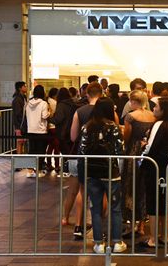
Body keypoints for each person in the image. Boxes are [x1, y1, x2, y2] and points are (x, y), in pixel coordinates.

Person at [78, 97, 126, 254]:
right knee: (115, 208)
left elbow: (82, 151)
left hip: (92, 173)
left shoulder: (87, 127)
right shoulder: (114, 127)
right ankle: (117, 242)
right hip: (111, 173)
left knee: (96, 208)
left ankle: (99, 243)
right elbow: (120, 151)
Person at [139, 97, 168, 248]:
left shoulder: (158, 124)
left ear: (163, 110)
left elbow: (150, 148)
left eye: (156, 106)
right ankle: (165, 236)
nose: (154, 108)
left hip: (155, 166)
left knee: (153, 202)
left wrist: (142, 154)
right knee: (164, 202)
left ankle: (153, 238)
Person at [70, 82, 103, 239]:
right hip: (103, 157)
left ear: (87, 94)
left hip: (84, 155)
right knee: (103, 191)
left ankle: (78, 226)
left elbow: (73, 136)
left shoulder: (80, 111)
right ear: (102, 94)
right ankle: (100, 227)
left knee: (82, 191)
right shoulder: (108, 110)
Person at [122, 90, 156, 235]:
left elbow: (127, 137)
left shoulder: (130, 116)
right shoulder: (152, 116)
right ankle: (142, 225)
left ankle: (131, 224)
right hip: (147, 152)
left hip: (133, 153)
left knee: (130, 187)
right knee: (144, 187)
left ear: (133, 101)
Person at [48, 88, 77, 179]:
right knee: (70, 152)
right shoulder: (73, 103)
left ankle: (66, 171)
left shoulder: (61, 105)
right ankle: (71, 171)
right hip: (72, 131)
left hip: (63, 132)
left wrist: (49, 118)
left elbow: (58, 119)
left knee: (65, 152)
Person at [25, 85, 50, 178]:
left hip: (30, 129)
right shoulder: (43, 103)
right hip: (41, 130)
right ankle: (38, 171)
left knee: (31, 150)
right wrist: (50, 113)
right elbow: (44, 116)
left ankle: (30, 171)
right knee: (40, 151)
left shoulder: (28, 102)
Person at [46, 87, 60, 173]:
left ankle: (48, 164)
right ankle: (57, 165)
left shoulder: (47, 101)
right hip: (54, 127)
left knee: (50, 147)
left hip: (48, 127)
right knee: (56, 147)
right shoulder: (55, 103)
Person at [12, 81, 28, 155]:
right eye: (24, 86)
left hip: (23, 124)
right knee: (20, 142)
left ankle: (21, 160)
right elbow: (18, 113)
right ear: (20, 88)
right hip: (19, 124)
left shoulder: (23, 97)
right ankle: (19, 161)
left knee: (22, 142)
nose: (26, 87)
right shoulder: (17, 99)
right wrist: (20, 125)